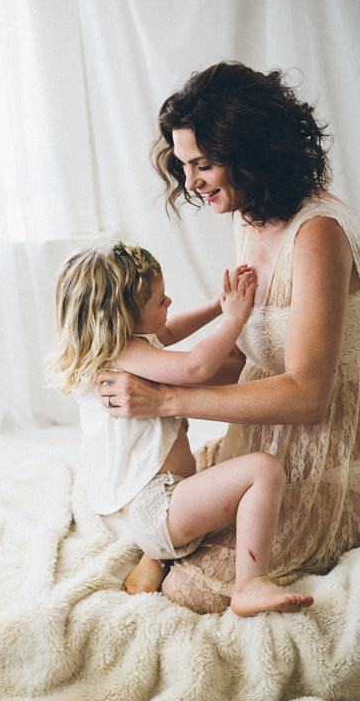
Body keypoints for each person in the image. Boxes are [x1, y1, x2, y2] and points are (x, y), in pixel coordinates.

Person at [96, 61, 360, 614]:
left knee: (194, 587)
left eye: (203, 164)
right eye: (184, 164)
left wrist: (170, 397)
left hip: (333, 434)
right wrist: (145, 369)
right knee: (176, 504)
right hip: (266, 429)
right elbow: (248, 354)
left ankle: (177, 557)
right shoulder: (250, 216)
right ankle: (168, 547)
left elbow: (309, 398)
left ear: (252, 154)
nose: (190, 183)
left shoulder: (317, 237)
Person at [46, 241, 314, 616]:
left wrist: (215, 305)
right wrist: (233, 318)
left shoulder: (123, 342)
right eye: (159, 301)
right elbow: (195, 368)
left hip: (160, 509)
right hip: (160, 508)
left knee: (219, 468)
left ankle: (154, 559)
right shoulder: (124, 354)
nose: (169, 302)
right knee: (264, 469)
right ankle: (250, 583)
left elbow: (166, 333)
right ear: (123, 318)